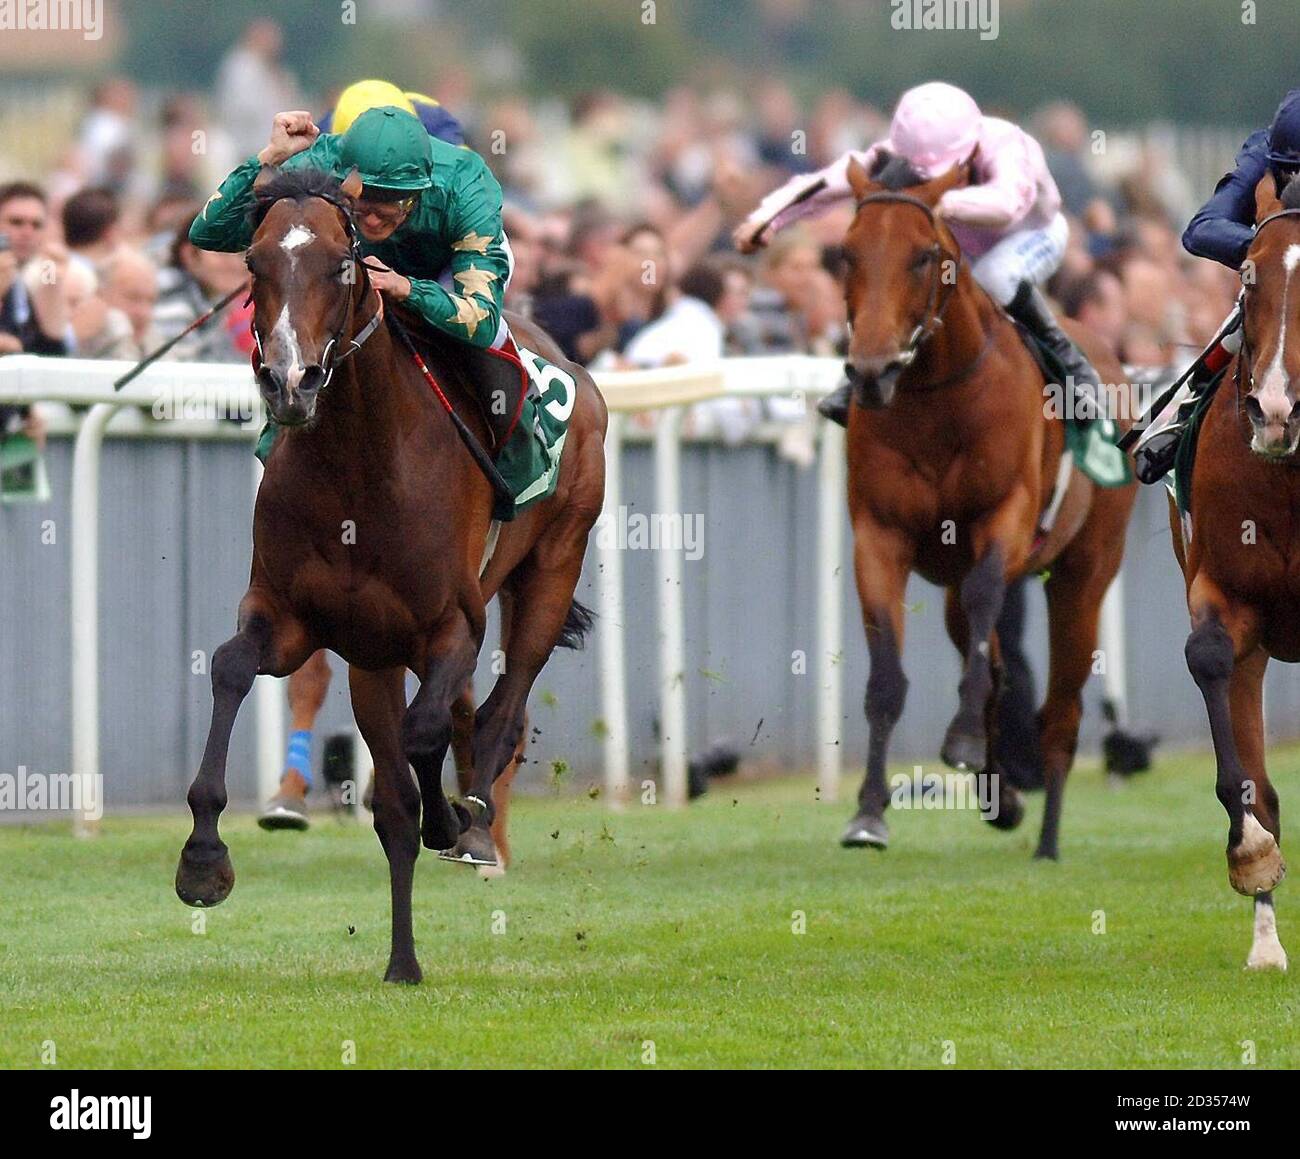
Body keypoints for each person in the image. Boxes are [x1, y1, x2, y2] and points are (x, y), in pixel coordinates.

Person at [733, 81, 1107, 432]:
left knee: (995, 276)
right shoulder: (899, 152)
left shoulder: (1010, 146)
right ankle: (867, 374)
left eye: (940, 172)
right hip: (960, 249)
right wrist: (765, 219)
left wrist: (941, 200)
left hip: (1030, 235)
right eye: (920, 173)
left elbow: (1007, 205)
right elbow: (823, 183)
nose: (927, 179)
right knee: (909, 278)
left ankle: (1069, 364)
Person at [1132, 89, 1300, 483]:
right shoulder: (1264, 152)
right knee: (1245, 322)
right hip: (1280, 283)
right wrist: (1273, 253)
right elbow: (1201, 230)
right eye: (1290, 177)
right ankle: (1181, 421)